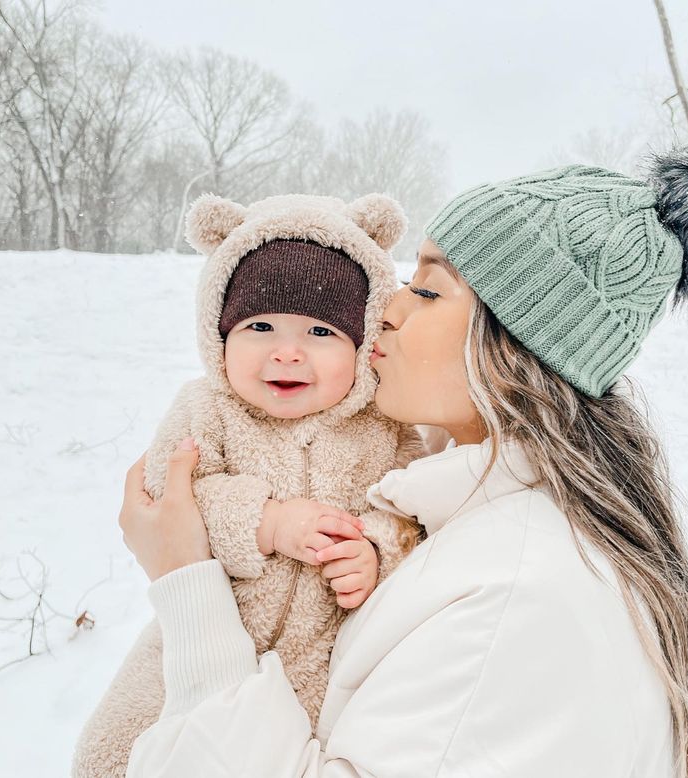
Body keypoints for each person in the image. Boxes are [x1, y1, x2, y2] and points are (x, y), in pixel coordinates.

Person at [120, 143, 688, 777]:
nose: (385, 308)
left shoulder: (518, 600)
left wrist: (189, 584)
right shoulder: (458, 506)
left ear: (516, 346)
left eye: (429, 291)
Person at [72, 193, 425, 777]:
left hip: (321, 656)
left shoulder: (384, 427)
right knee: (111, 756)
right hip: (194, 639)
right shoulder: (207, 409)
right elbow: (167, 493)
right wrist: (267, 522)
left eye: (319, 331)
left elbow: (410, 510)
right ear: (219, 333)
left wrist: (375, 551)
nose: (286, 352)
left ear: (363, 344)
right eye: (259, 326)